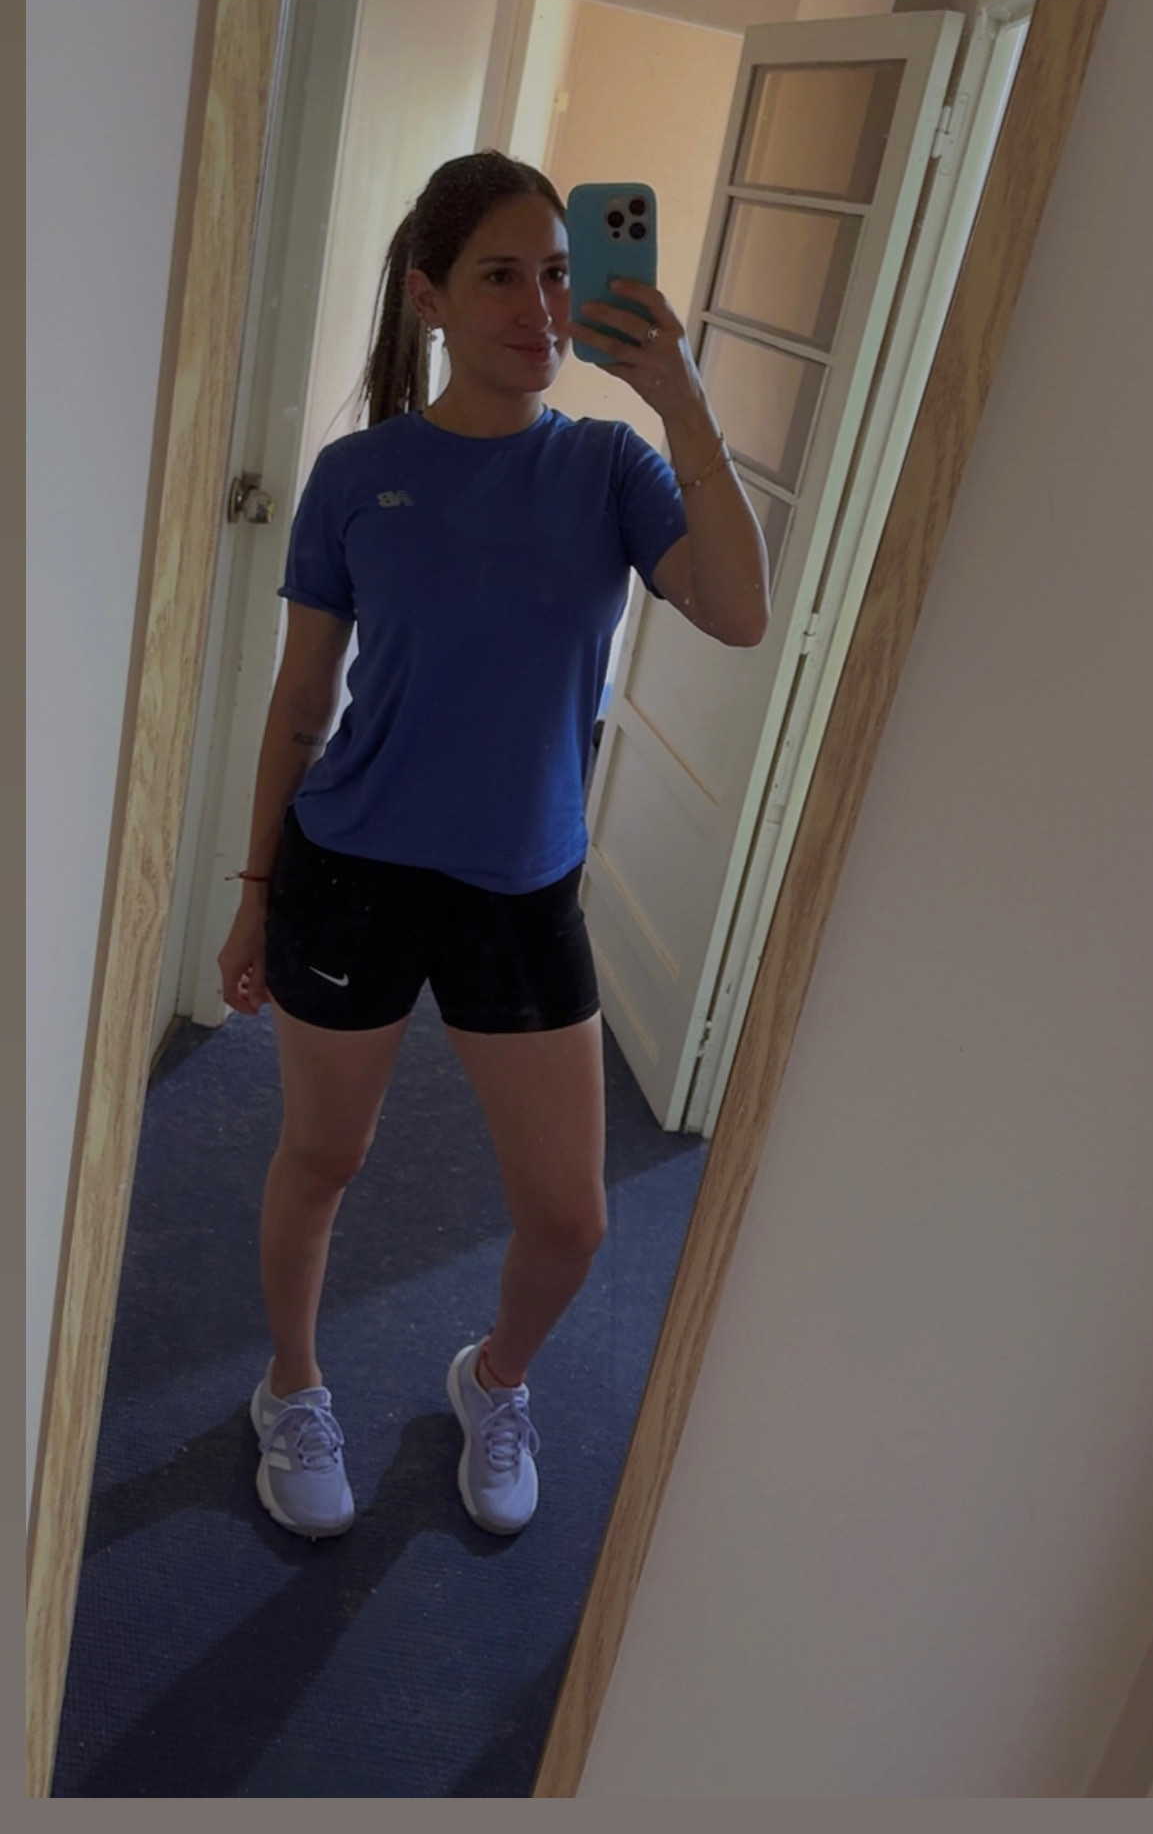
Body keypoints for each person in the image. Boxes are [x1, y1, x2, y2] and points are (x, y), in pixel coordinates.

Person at [217, 149, 770, 1542]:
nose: (542, 307)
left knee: (573, 1219)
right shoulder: (359, 475)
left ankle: (495, 1379)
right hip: (352, 872)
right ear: (432, 297)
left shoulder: (610, 464)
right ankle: (291, 1387)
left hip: (522, 892)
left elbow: (739, 612)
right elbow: (303, 699)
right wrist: (254, 891)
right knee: (323, 1160)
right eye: (503, 277)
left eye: (561, 275)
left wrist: (681, 400)